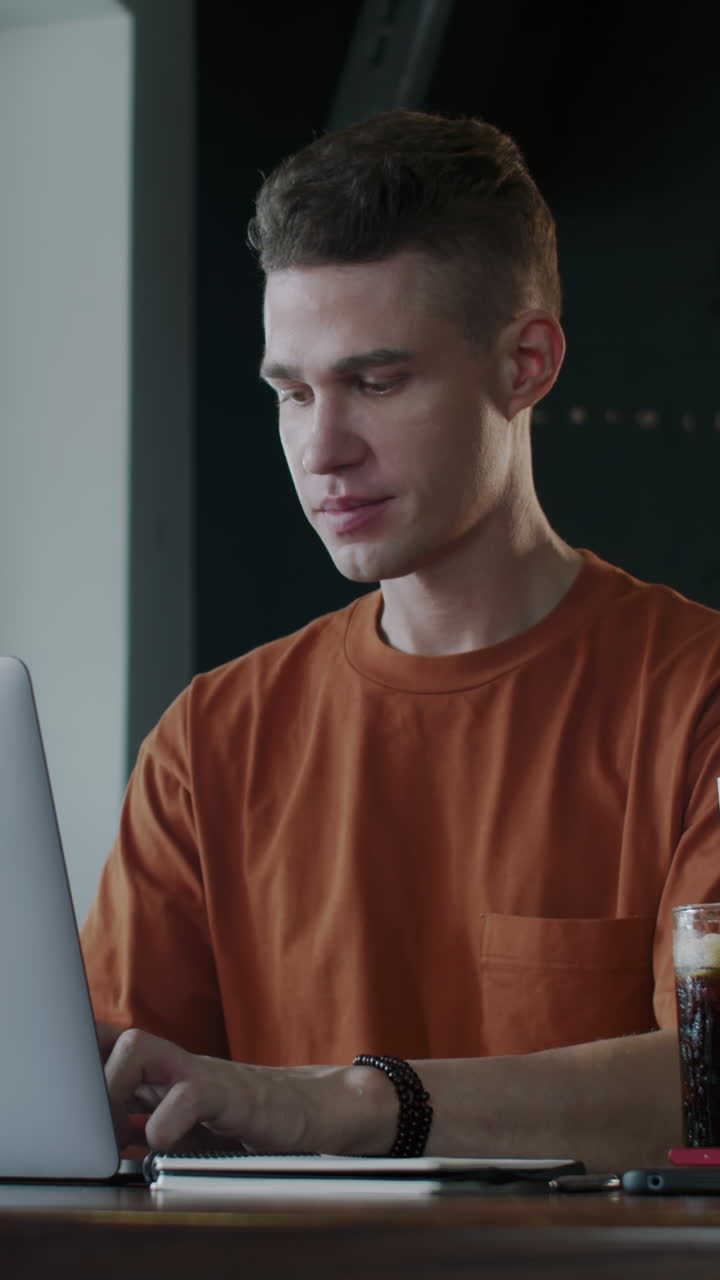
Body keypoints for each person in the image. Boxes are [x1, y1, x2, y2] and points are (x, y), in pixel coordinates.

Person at [82, 110, 720, 1171]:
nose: (321, 448)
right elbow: (109, 1106)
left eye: (377, 382)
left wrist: (349, 1104)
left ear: (525, 363)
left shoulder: (696, 700)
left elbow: (708, 1083)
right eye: (292, 392)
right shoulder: (210, 741)